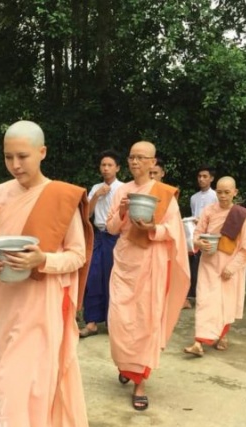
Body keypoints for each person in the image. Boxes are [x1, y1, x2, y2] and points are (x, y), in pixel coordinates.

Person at [0, 120, 93, 427]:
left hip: (41, 305)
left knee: (23, 388)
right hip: (4, 302)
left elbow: (77, 255)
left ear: (42, 153)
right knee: (13, 385)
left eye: (23, 156)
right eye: (8, 157)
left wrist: (42, 260)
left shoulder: (61, 196)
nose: (15, 165)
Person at [107, 141, 190, 411]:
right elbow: (110, 228)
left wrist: (154, 227)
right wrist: (120, 212)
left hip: (150, 262)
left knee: (144, 320)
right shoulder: (122, 189)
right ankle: (125, 365)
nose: (135, 162)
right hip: (123, 262)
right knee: (120, 318)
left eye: (141, 158)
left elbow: (175, 231)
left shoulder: (164, 193)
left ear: (153, 162)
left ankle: (139, 381)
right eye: (131, 157)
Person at [183, 176, 246, 357]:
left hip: (230, 265)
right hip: (209, 262)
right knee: (205, 301)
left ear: (235, 192)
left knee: (225, 303)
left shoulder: (240, 216)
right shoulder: (208, 211)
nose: (223, 196)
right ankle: (199, 342)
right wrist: (200, 244)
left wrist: (232, 267)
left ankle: (222, 335)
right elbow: (196, 235)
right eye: (220, 192)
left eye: (227, 192)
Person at [80, 149, 124, 338]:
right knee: (92, 277)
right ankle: (91, 322)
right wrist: (97, 195)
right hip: (98, 237)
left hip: (117, 238)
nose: (105, 169)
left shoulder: (124, 188)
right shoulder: (96, 187)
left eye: (110, 165)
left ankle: (113, 321)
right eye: (103, 165)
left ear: (118, 168)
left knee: (114, 279)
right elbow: (86, 214)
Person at [187, 166, 218, 303]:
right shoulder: (194, 198)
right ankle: (195, 293)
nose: (201, 179)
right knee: (194, 264)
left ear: (211, 178)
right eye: (199, 176)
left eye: (205, 176)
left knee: (207, 265)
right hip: (195, 234)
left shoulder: (216, 196)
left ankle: (208, 293)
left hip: (210, 234)